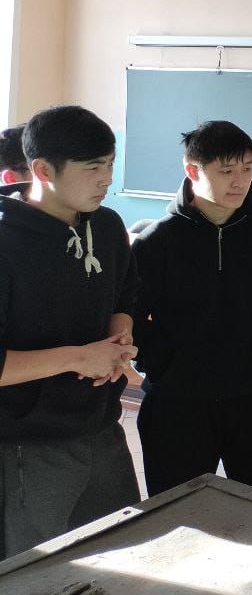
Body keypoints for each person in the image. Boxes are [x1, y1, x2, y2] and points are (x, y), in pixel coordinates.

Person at [0, 105, 140, 558]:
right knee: (36, 570)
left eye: (110, 165)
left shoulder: (108, 225)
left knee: (121, 552)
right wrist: (81, 357)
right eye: (93, 168)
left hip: (102, 429)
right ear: (43, 170)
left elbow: (124, 295)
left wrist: (119, 338)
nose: (107, 179)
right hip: (28, 445)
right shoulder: (7, 240)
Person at [131, 120, 252, 497]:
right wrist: (164, 364)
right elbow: (132, 319)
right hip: (179, 402)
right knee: (178, 511)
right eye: (226, 171)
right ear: (192, 171)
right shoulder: (157, 241)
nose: (240, 181)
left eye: (247, 168)